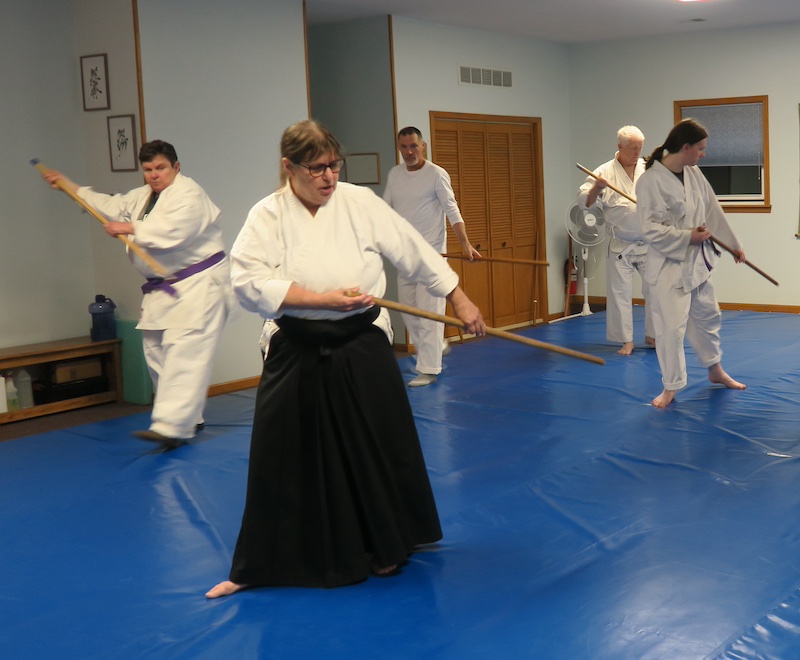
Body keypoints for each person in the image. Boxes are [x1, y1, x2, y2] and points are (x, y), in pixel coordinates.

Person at [206, 119, 485, 598]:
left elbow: (412, 249)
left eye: (334, 166)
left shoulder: (359, 202)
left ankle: (387, 542)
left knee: (378, 439)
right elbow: (246, 282)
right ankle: (259, 563)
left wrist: (458, 297)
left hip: (360, 336)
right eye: (316, 169)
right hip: (295, 338)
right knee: (280, 447)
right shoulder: (267, 215)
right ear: (288, 167)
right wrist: (319, 301)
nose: (328, 178)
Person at [42, 140, 234, 449]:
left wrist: (129, 229)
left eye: (161, 168)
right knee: (155, 349)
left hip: (200, 283)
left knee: (183, 351)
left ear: (176, 167)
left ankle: (173, 428)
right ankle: (188, 417)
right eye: (148, 170)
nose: (154, 175)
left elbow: (173, 232)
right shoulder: (143, 196)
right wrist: (70, 186)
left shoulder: (189, 194)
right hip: (164, 287)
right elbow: (109, 204)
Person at [636, 118, 746, 408]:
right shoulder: (650, 181)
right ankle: (670, 387)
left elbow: (712, 210)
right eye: (700, 148)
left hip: (696, 263)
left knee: (708, 318)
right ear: (685, 147)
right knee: (670, 330)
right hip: (668, 267)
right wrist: (687, 237)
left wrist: (734, 245)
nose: (703, 154)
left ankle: (715, 370)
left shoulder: (694, 173)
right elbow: (649, 229)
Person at [383, 126, 481, 387]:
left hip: (431, 256)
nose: (409, 152)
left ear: (423, 145)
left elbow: (452, 209)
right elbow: (386, 211)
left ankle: (429, 368)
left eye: (413, 146)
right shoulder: (395, 175)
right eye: (404, 147)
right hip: (405, 256)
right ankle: (436, 344)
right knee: (409, 312)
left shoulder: (436, 174)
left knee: (429, 313)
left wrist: (465, 244)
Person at [578, 125, 654, 355]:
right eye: (632, 148)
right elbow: (585, 202)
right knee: (619, 293)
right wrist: (597, 188)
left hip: (649, 242)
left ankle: (653, 335)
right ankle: (627, 341)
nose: (637, 153)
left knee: (657, 290)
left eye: (640, 148)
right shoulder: (604, 172)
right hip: (622, 243)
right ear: (619, 146)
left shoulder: (648, 168)